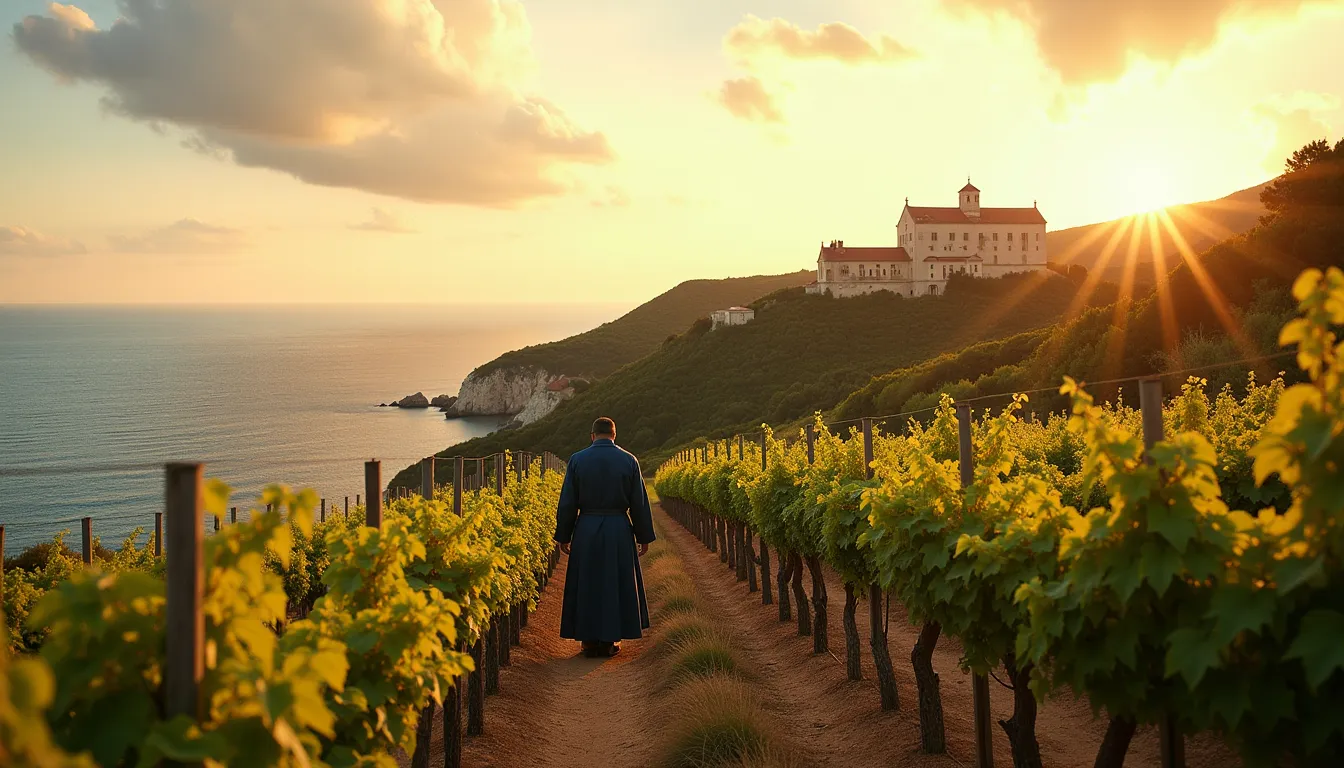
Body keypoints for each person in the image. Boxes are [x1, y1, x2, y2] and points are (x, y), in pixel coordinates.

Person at [554, 416, 656, 658]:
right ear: (614, 435)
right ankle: (610, 639)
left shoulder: (577, 460)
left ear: (592, 436)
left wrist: (563, 535)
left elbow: (568, 502)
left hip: (586, 528)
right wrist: (643, 536)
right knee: (614, 582)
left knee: (588, 582)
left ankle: (588, 641)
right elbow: (639, 504)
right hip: (618, 528)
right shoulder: (629, 460)